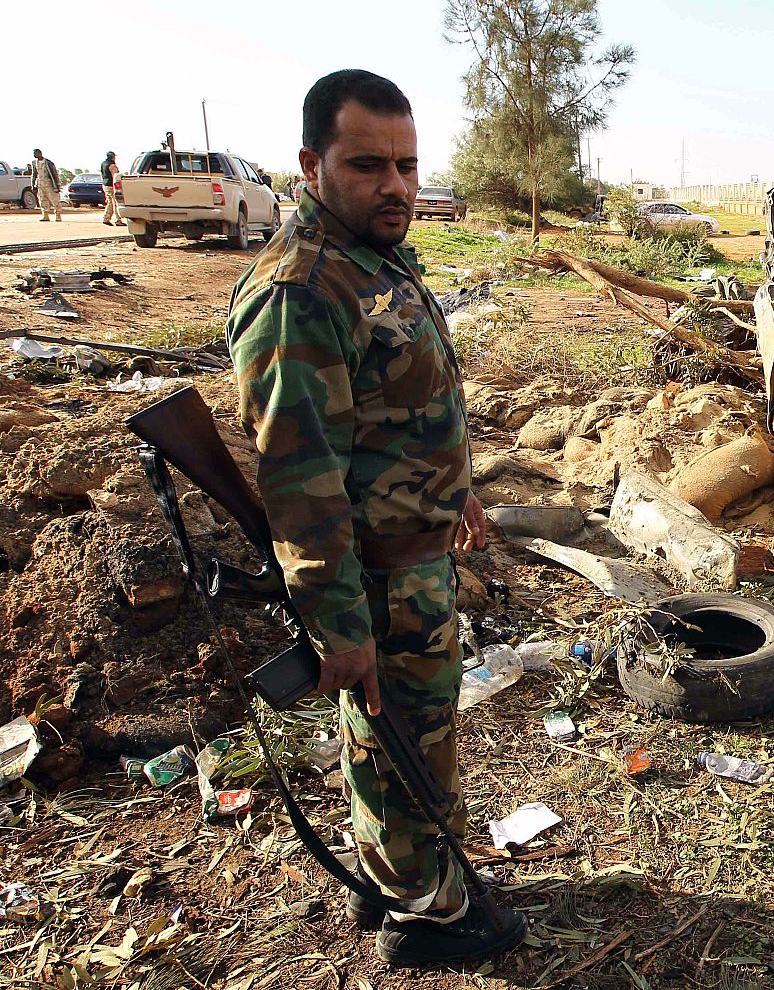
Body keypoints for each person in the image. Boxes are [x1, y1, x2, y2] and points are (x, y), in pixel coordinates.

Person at [225, 69, 526, 969]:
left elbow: (399, 412)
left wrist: (455, 489)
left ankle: (406, 875)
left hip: (416, 558)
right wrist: (339, 628)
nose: (395, 185)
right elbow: (301, 482)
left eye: (406, 164)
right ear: (311, 165)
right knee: (399, 740)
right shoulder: (303, 291)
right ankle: (424, 916)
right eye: (368, 165)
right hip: (376, 582)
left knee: (411, 735)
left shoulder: (372, 256)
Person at [30, 148, 61, 222]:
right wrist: (33, 184)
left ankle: (58, 215)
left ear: (40, 153)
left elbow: (54, 174)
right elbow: (34, 174)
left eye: (35, 153)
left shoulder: (48, 162)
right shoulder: (35, 163)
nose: (34, 155)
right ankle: (45, 215)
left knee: (54, 199)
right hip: (40, 184)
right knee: (43, 199)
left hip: (49, 183)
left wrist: (57, 185)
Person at [100, 151, 125, 226]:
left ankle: (108, 218)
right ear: (113, 157)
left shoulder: (103, 163)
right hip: (111, 185)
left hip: (105, 184)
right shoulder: (112, 165)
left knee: (110, 202)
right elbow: (115, 176)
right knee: (114, 203)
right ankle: (115, 219)